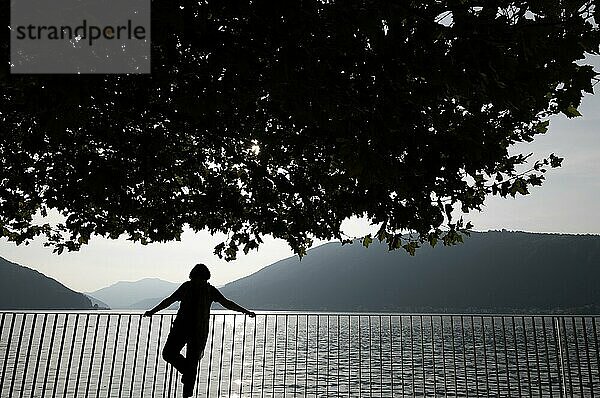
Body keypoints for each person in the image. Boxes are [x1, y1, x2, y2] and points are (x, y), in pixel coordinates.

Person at [144, 263, 256, 397]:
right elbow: (227, 303)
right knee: (184, 359)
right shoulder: (204, 289)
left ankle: (187, 380)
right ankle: (188, 374)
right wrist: (245, 311)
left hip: (185, 328)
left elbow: (169, 301)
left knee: (171, 354)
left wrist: (152, 311)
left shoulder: (190, 287)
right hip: (196, 329)